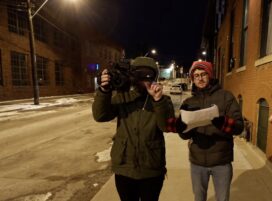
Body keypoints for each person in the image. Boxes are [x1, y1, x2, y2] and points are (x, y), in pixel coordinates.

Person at [92, 56, 175, 201]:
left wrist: (158, 100)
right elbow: (100, 116)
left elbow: (166, 127)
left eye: (148, 74)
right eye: (139, 74)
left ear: (154, 76)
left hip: (152, 169)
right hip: (125, 168)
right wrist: (104, 91)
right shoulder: (124, 97)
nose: (144, 79)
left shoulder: (163, 100)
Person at [170, 61, 244, 201]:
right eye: (196, 75)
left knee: (222, 199)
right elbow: (185, 135)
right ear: (192, 79)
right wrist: (181, 129)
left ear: (209, 75)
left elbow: (239, 127)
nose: (200, 78)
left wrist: (223, 123)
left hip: (221, 161)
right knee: (199, 198)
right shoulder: (189, 102)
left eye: (203, 74)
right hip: (197, 162)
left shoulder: (225, 96)